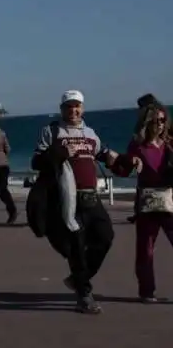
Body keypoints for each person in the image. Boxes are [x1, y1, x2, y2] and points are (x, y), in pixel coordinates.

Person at [31, 90, 121, 314]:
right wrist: (60, 152)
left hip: (91, 196)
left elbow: (102, 153)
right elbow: (36, 161)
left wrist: (119, 158)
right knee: (76, 248)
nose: (74, 110)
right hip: (66, 199)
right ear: (62, 109)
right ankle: (84, 294)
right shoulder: (51, 131)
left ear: (83, 108)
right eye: (69, 106)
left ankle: (79, 278)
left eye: (77, 106)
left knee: (105, 237)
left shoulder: (90, 133)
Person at [112, 103, 171, 302]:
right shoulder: (137, 144)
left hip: (171, 200)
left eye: (163, 120)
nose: (160, 125)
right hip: (147, 201)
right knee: (145, 248)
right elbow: (125, 168)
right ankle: (147, 291)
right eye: (156, 121)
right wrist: (130, 162)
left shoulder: (170, 142)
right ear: (147, 122)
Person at [127, 94, 163, 224]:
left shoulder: (152, 116)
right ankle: (138, 212)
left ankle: (140, 212)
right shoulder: (159, 115)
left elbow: (137, 137)